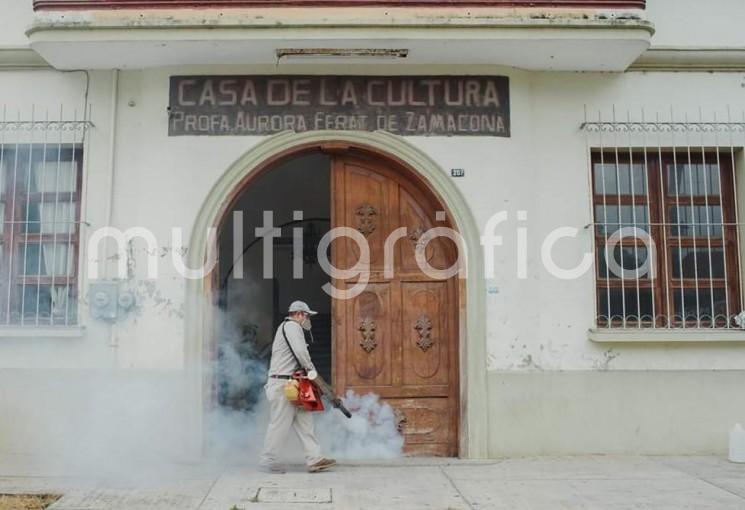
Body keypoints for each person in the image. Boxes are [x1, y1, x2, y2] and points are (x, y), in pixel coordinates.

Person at [259, 300, 336, 473]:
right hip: (283, 384)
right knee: (279, 424)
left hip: (292, 384)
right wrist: (313, 374)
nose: (308, 319)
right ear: (299, 314)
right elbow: (301, 353)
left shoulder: (289, 328)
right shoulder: (292, 327)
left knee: (305, 421)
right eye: (307, 316)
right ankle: (267, 459)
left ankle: (314, 458)